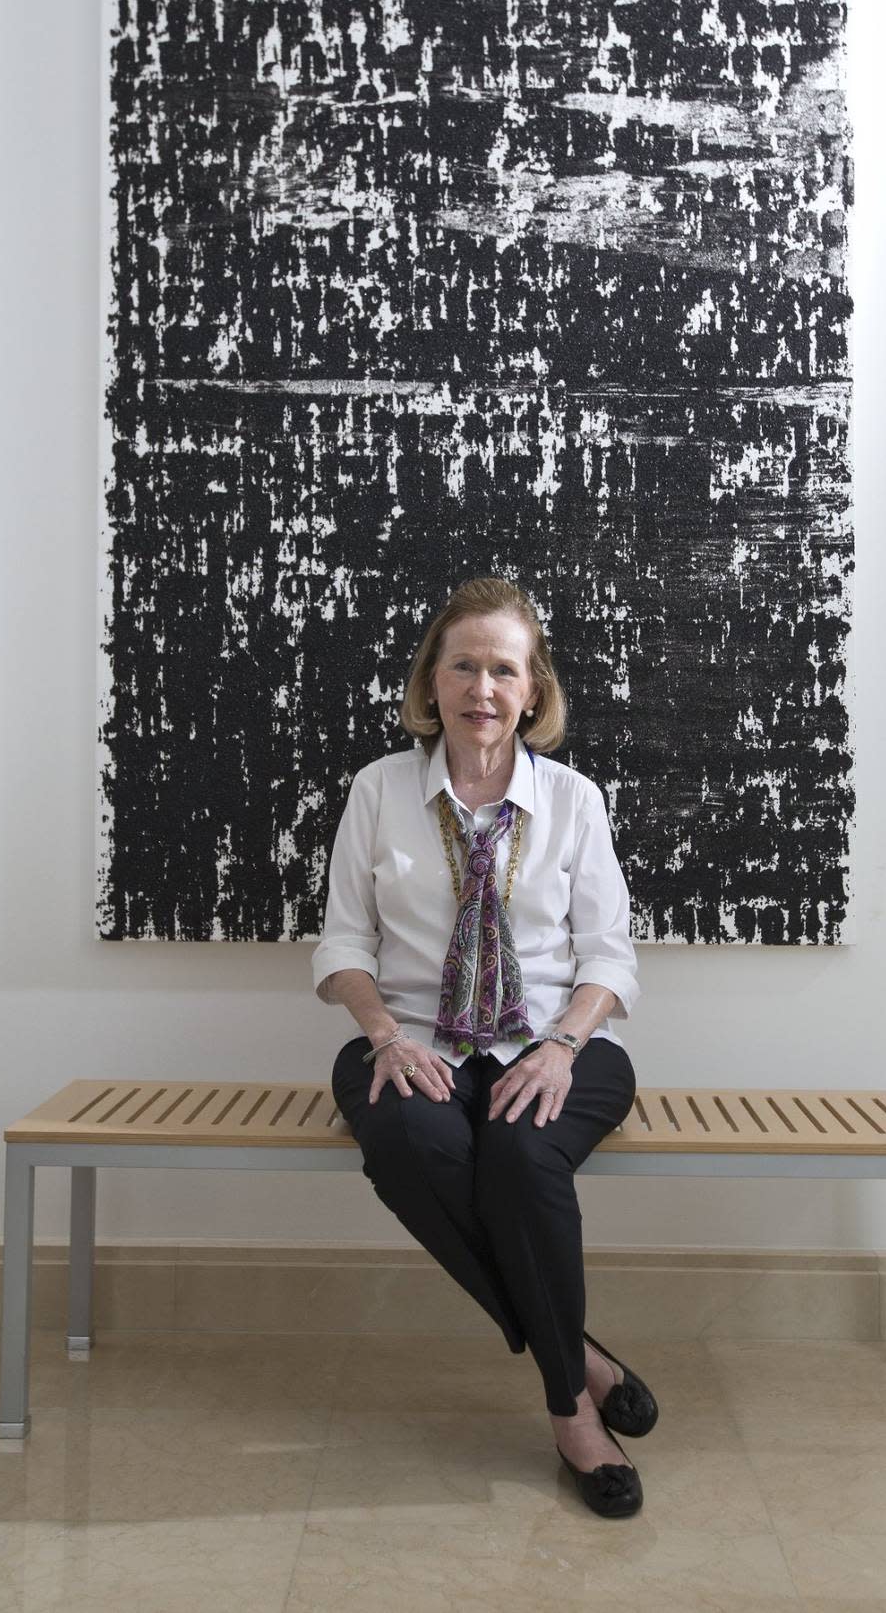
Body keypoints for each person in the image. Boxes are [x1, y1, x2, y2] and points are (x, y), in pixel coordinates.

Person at [313, 575, 657, 1517]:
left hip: (555, 1043)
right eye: (461, 664)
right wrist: (382, 1034)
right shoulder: (379, 791)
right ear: (433, 681)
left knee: (517, 1156)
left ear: (533, 690)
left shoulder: (576, 802)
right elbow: (344, 945)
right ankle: (577, 1364)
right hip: (410, 1040)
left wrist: (560, 1047)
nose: (481, 687)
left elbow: (610, 958)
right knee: (412, 1143)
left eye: (503, 668)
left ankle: (568, 1415)